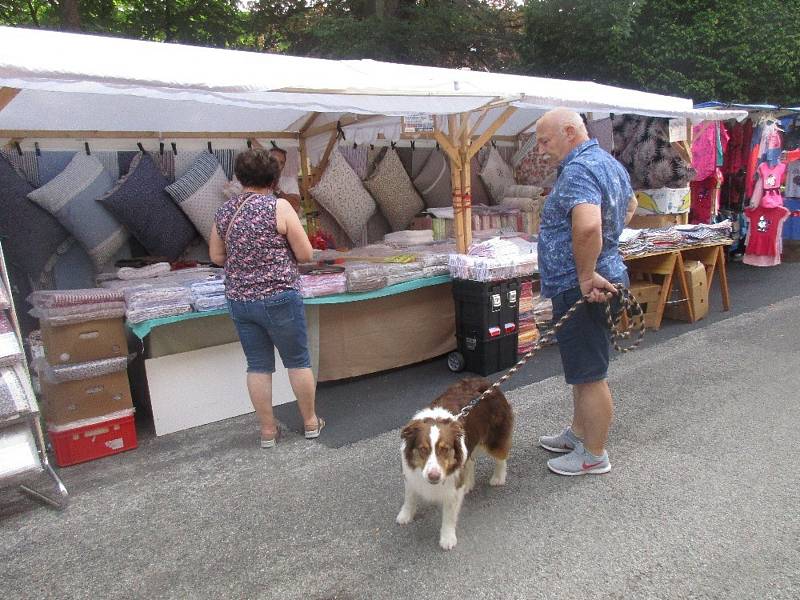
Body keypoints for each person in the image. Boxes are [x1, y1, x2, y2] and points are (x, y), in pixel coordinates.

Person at [534, 108, 637, 476]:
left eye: (545, 141)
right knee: (582, 368)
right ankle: (579, 434)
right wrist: (604, 253)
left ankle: (594, 454)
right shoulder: (606, 162)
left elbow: (589, 227)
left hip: (585, 286)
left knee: (590, 373)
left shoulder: (579, 170)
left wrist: (586, 274)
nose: (541, 150)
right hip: (598, 276)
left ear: (569, 132)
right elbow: (631, 206)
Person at [209, 149, 324, 448]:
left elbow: (216, 256)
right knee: (297, 361)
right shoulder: (280, 208)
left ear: (239, 177)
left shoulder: (224, 212)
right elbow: (306, 254)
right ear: (274, 178)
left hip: (240, 300)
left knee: (258, 365)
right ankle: (310, 422)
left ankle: (268, 431)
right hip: (279, 296)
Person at [269, 146, 303, 214]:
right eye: (274, 161)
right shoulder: (255, 182)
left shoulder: (290, 182)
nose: (278, 165)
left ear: (284, 165)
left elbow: (296, 207)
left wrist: (277, 190)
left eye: (281, 163)